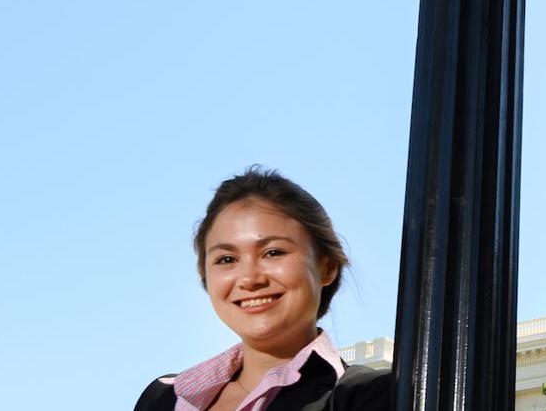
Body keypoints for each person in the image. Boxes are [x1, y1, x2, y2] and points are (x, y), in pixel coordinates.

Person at [135, 167, 391, 411]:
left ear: (327, 268)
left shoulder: (368, 396)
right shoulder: (162, 398)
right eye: (226, 259)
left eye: (273, 252)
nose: (249, 279)